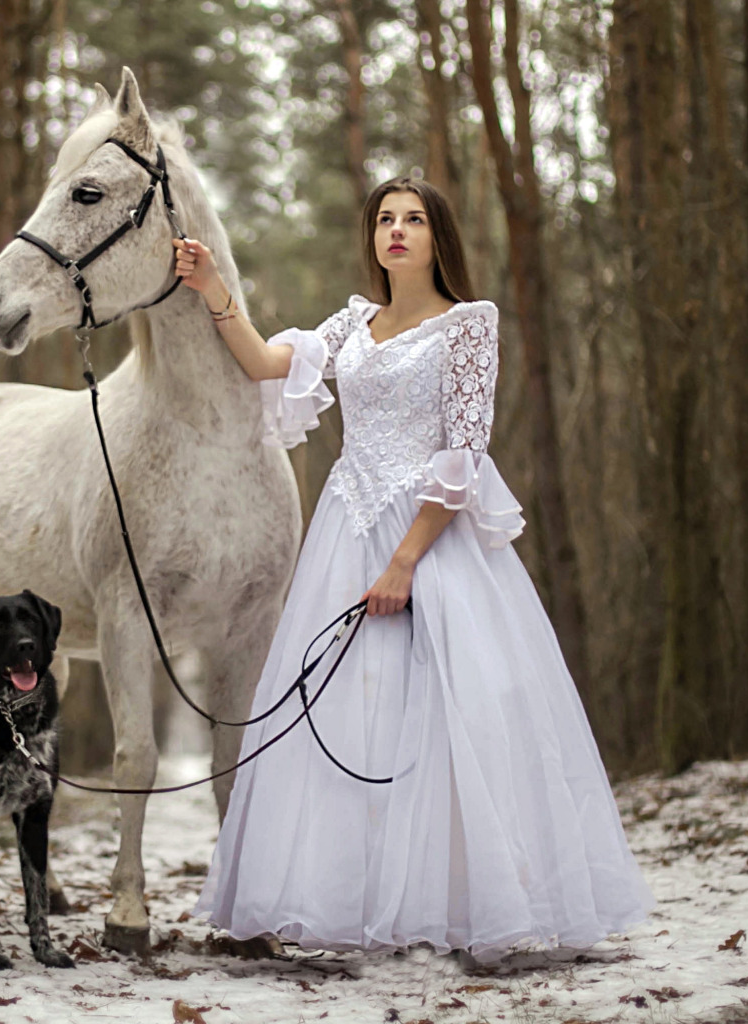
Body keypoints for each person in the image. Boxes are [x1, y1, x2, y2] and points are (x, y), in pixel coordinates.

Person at [172, 178, 654, 960]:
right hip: (345, 526)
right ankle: (356, 903)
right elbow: (265, 362)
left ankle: (471, 904)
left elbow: (463, 455)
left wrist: (403, 564)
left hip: (430, 539)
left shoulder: (468, 325)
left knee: (453, 711)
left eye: (414, 219)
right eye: (385, 220)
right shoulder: (353, 322)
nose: (396, 231)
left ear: (438, 237)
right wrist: (212, 288)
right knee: (352, 712)